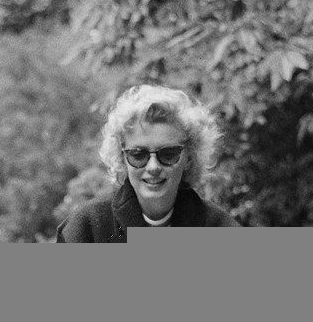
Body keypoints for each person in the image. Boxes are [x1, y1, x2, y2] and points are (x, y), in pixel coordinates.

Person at [55, 85, 240, 240]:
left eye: (168, 154)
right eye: (138, 154)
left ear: (189, 159)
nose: (153, 167)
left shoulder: (221, 228)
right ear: (122, 159)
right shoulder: (86, 230)